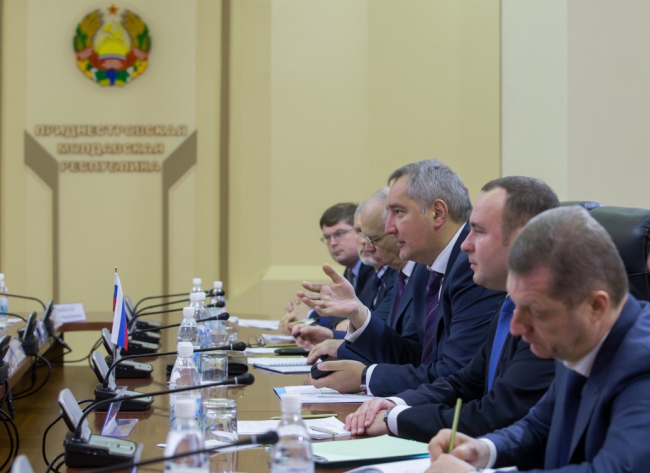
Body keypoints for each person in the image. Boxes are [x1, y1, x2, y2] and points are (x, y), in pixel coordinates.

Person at [426, 206, 650, 473]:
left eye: (536, 311)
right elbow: (538, 427)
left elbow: (616, 470)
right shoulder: (575, 340)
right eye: (516, 305)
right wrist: (484, 450)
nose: (516, 327)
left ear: (596, 306)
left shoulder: (642, 364)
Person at [344, 177, 558, 443]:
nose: (466, 245)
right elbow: (465, 382)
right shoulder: (510, 304)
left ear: (524, 240)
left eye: (479, 231)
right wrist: (397, 403)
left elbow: (496, 414)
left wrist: (395, 419)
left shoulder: (549, 318)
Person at [298, 160, 505, 394]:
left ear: (437, 213)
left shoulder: (473, 266)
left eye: (398, 213)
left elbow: (455, 375)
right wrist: (358, 313)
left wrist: (366, 377)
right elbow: (413, 356)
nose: (388, 227)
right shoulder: (424, 270)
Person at [295, 188, 416, 359]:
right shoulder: (380, 275)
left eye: (371, 235)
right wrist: (334, 333)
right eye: (360, 232)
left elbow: (383, 331)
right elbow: (389, 343)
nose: (365, 242)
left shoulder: (403, 274)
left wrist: (315, 317)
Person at [280, 202, 375, 333]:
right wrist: (307, 306)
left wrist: (308, 314)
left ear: (360, 232)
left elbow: (359, 322)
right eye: (327, 237)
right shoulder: (350, 271)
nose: (333, 243)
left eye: (339, 234)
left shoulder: (373, 269)